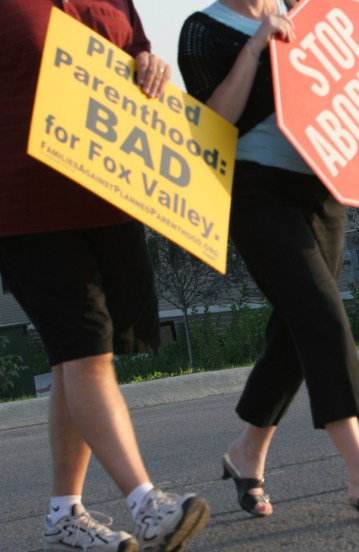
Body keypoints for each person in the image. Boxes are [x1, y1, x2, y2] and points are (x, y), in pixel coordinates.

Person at [178, 0, 359, 520]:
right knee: (321, 316)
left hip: (324, 186)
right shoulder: (202, 30)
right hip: (256, 194)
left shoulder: (308, 11)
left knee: (296, 327)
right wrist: (255, 47)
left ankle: (247, 452)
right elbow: (212, 123)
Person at [0, 2, 210, 550]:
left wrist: (149, 64)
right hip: (27, 206)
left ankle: (63, 515)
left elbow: (136, 53)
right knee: (87, 350)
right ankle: (147, 504)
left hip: (111, 195)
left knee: (76, 359)